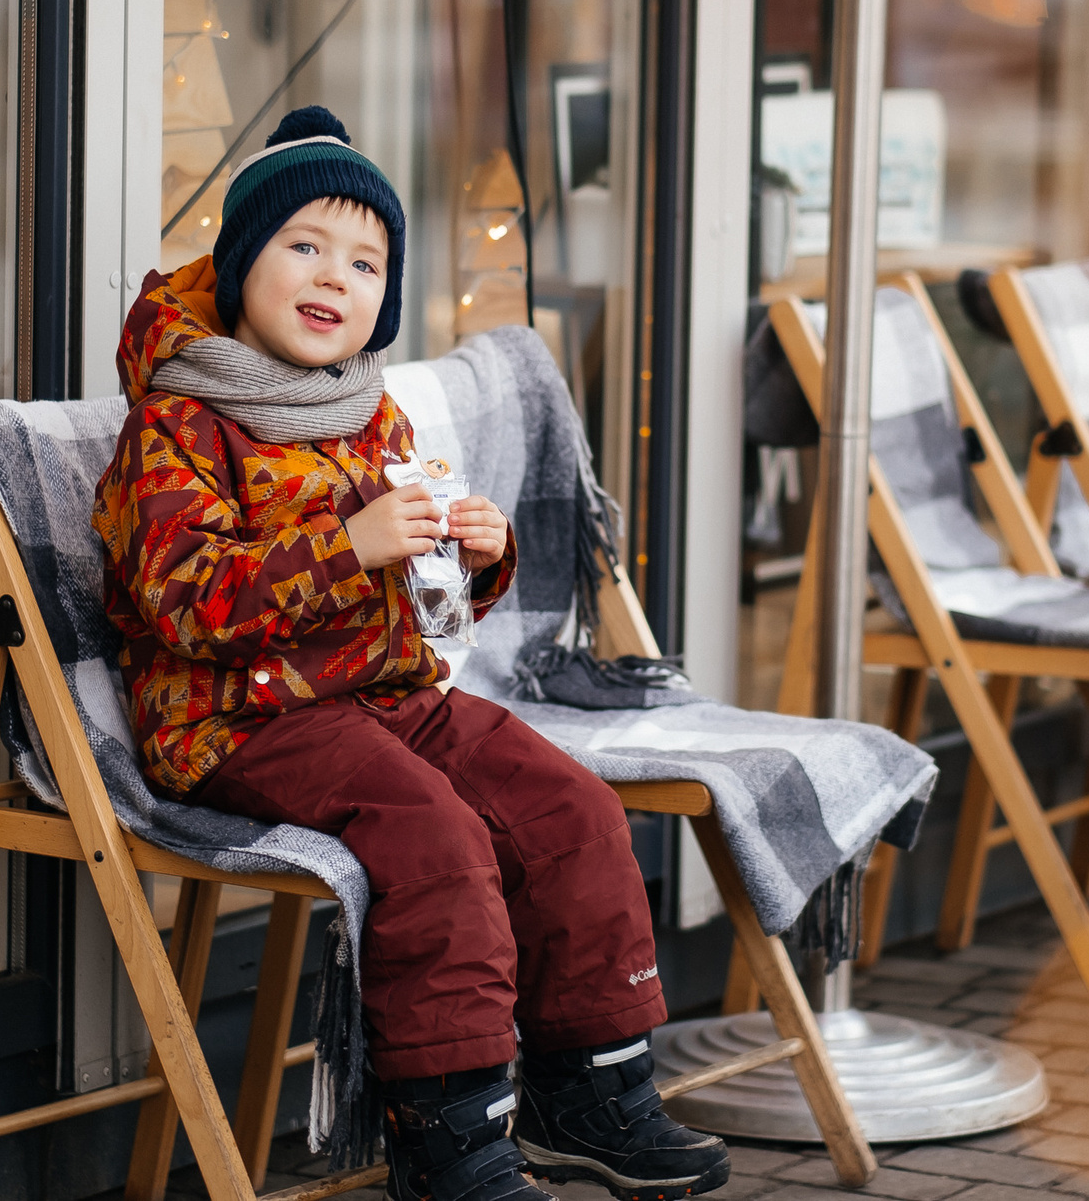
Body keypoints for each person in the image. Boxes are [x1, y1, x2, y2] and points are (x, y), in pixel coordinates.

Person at [92, 107, 730, 1201]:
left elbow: (423, 603)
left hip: (382, 698)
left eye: (364, 260)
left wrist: (477, 555)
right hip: (242, 717)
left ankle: (589, 1090)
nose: (331, 275)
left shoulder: (366, 412)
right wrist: (348, 546)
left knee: (565, 804)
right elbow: (180, 602)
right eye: (302, 246)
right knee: (433, 834)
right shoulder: (179, 424)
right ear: (241, 263)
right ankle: (453, 1144)